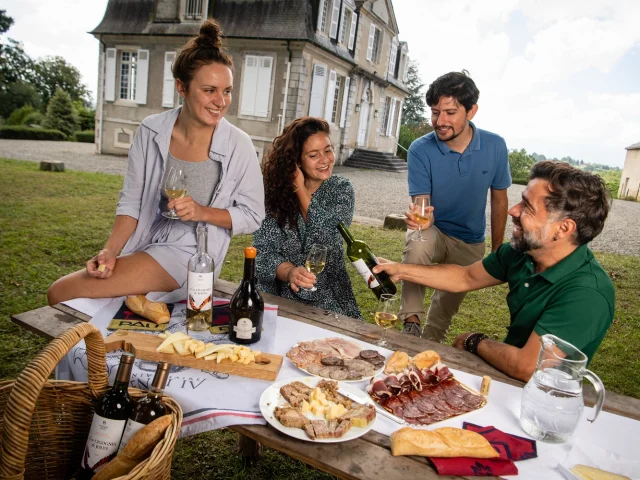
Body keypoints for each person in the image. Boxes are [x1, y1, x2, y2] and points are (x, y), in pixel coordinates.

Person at [47, 20, 265, 305]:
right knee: (86, 303)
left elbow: (252, 215)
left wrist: (201, 211)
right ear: (182, 88)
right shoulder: (151, 130)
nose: (221, 101)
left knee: (61, 292)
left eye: (227, 90)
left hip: (191, 255)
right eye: (209, 90)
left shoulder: (239, 144)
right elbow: (131, 202)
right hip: (146, 242)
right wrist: (110, 250)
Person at [375, 161, 614, 382]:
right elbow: (464, 277)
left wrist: (475, 342)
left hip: (539, 400)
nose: (513, 210)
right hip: (503, 376)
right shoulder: (522, 252)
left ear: (564, 228)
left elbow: (529, 366)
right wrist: (399, 270)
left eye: (527, 207)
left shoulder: (587, 293)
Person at [400, 70, 511, 341]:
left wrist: (497, 251)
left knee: (443, 312)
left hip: (470, 240)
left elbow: (499, 200)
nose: (440, 121)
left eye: (450, 112)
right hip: (435, 230)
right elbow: (422, 205)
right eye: (435, 112)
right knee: (418, 240)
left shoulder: (495, 146)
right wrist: (421, 219)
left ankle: (429, 343)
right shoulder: (420, 149)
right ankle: (410, 322)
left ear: (471, 111)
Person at [253, 117, 361, 319]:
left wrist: (300, 189)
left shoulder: (341, 190)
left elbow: (330, 236)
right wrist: (290, 272)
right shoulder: (273, 195)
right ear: (296, 161)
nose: (325, 159)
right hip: (279, 297)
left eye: (328, 150)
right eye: (313, 155)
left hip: (329, 299)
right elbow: (262, 254)